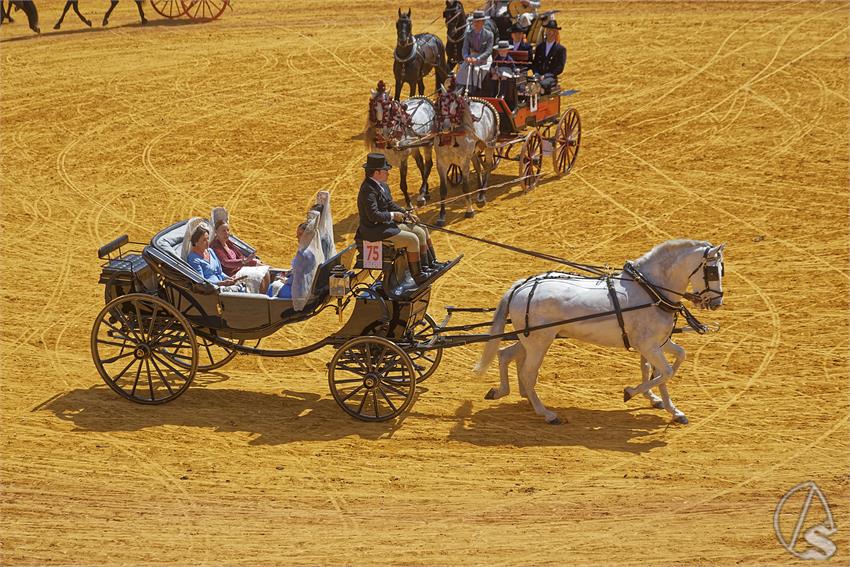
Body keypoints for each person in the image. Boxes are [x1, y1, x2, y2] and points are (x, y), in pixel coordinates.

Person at [356, 153, 445, 285]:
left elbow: (390, 204)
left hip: (386, 226)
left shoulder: (382, 185)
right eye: (385, 170)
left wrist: (406, 213)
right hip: (375, 231)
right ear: (376, 172)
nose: (388, 173)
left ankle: (429, 264)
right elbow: (374, 215)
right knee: (412, 239)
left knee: (421, 229)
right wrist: (393, 215)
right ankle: (418, 275)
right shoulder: (368, 190)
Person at [210, 219, 270, 294]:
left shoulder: (228, 242)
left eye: (228, 230)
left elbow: (241, 257)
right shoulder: (215, 246)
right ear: (216, 232)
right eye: (223, 231)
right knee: (259, 275)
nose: (226, 233)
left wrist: (254, 263)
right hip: (232, 275)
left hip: (241, 269)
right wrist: (245, 261)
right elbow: (226, 262)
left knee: (264, 269)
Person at [186, 225, 247, 292]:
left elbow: (220, 272)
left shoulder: (210, 251)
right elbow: (201, 282)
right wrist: (221, 283)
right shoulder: (194, 259)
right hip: (212, 290)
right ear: (195, 242)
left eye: (208, 238)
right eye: (204, 240)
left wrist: (228, 278)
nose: (207, 242)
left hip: (222, 284)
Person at [267, 222, 315, 300]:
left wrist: (286, 281)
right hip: (308, 288)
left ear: (307, 236)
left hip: (299, 292)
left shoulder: (303, 254)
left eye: (300, 234)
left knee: (272, 286)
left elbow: (298, 277)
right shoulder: (314, 250)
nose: (297, 237)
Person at [457, 10, 494, 96]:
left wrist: (477, 59)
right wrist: (466, 57)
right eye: (474, 22)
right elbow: (465, 48)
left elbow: (488, 51)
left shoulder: (489, 34)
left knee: (477, 70)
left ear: (483, 22)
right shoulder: (468, 34)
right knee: (463, 69)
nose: (475, 24)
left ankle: (474, 91)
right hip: (472, 56)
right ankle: (460, 88)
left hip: (484, 58)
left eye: (478, 22)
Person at [531, 19, 566, 94]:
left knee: (542, 84)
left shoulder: (560, 49)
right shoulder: (540, 47)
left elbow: (560, 67)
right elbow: (535, 63)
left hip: (551, 78)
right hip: (538, 76)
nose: (550, 33)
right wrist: (536, 73)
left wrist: (546, 75)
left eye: (553, 31)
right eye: (549, 30)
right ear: (546, 31)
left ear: (556, 33)